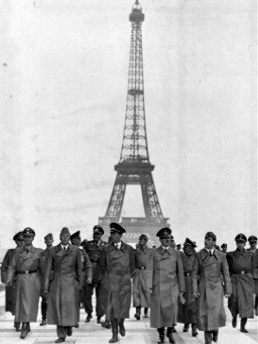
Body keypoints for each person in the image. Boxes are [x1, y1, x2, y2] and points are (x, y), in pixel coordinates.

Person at [44, 227, 82, 343]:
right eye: (62, 236)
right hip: (57, 282)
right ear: (59, 237)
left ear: (69, 237)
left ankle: (69, 325)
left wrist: (80, 284)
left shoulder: (75, 250)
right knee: (58, 308)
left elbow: (79, 268)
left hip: (71, 283)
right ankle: (61, 335)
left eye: (66, 236)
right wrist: (46, 286)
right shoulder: (53, 251)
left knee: (69, 307)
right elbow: (47, 269)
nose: (64, 238)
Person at [192, 231, 232, 344]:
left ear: (214, 242)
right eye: (205, 239)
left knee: (215, 313)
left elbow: (226, 274)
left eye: (208, 239)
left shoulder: (221, 256)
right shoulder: (199, 255)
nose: (206, 241)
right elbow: (194, 274)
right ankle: (208, 340)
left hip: (217, 289)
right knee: (205, 315)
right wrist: (195, 289)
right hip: (203, 288)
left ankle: (215, 331)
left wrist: (228, 290)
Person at [100, 222, 135, 343]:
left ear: (120, 235)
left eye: (115, 233)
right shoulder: (106, 250)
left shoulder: (129, 249)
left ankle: (122, 323)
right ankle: (114, 333)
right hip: (112, 281)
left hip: (125, 281)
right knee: (114, 308)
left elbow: (133, 265)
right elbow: (102, 266)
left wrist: (127, 276)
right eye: (112, 233)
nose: (113, 236)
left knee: (124, 307)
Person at [6, 227, 43, 339]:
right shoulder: (17, 252)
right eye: (25, 237)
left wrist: (45, 282)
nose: (27, 239)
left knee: (30, 304)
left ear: (33, 238)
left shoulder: (38, 252)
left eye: (29, 237)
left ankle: (26, 325)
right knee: (21, 304)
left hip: (33, 279)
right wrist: (9, 278)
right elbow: (12, 266)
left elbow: (44, 268)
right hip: (21, 278)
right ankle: (25, 324)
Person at [150, 227, 185, 344]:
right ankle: (161, 334)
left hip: (172, 288)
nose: (167, 240)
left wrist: (182, 289)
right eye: (165, 238)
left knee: (171, 312)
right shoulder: (154, 253)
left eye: (169, 238)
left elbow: (180, 272)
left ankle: (170, 332)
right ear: (160, 240)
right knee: (159, 313)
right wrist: (149, 286)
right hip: (158, 287)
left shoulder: (177, 254)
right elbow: (150, 270)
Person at [227, 233, 254, 332]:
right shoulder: (230, 255)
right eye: (238, 242)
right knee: (233, 300)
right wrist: (227, 281)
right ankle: (234, 315)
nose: (240, 244)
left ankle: (243, 326)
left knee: (246, 302)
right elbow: (227, 269)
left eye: (242, 242)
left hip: (247, 279)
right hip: (234, 278)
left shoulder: (250, 255)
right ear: (236, 243)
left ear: (245, 243)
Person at [82, 225, 109, 323]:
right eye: (94, 233)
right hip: (89, 271)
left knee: (101, 295)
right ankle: (89, 312)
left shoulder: (106, 245)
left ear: (101, 234)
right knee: (87, 294)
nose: (95, 235)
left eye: (98, 234)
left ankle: (99, 314)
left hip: (101, 271)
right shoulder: (87, 244)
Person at [1, 231, 24, 331]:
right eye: (19, 240)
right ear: (15, 241)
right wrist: (6, 280)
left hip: (26, 280)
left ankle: (23, 323)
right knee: (16, 303)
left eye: (23, 240)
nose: (22, 242)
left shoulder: (28, 251)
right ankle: (18, 322)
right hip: (14, 282)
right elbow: (4, 267)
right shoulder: (11, 252)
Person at [177, 238, 198, 337]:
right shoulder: (181, 257)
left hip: (193, 282)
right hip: (183, 281)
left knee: (193, 306)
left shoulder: (197, 258)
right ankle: (186, 324)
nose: (185, 249)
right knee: (184, 305)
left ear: (192, 248)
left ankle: (194, 327)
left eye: (187, 247)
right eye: (184, 247)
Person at [70, 230, 92, 313]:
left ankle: (87, 313)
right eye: (78, 239)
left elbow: (88, 265)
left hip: (82, 278)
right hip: (71, 278)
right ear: (73, 241)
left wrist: (89, 276)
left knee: (83, 297)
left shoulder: (82, 252)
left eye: (79, 239)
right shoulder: (67, 251)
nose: (80, 240)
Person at [133, 234, 153, 320]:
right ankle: (137, 312)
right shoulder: (136, 251)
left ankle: (145, 310)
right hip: (138, 272)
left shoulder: (151, 251)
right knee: (136, 291)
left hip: (147, 272)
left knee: (146, 291)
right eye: (139, 240)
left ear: (145, 241)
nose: (140, 241)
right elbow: (133, 262)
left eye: (142, 240)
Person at [39, 233, 54, 326]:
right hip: (44, 279)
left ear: (53, 240)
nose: (48, 241)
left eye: (50, 239)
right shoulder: (42, 253)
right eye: (46, 239)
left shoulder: (56, 252)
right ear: (44, 241)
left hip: (54, 278)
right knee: (44, 299)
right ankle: (44, 318)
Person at [247, 235, 258, 315]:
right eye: (251, 243)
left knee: (257, 293)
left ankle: (256, 307)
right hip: (248, 275)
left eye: (254, 242)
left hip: (257, 275)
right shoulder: (246, 252)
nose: (253, 244)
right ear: (249, 243)